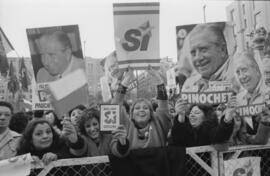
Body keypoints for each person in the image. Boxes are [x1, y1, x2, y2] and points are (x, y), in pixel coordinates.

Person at [110, 68, 172, 157]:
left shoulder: (159, 123)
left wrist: (158, 79)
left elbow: (163, 105)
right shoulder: (126, 125)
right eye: (137, 108)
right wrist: (126, 80)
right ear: (131, 114)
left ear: (151, 113)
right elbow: (115, 106)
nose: (141, 110)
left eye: (145, 108)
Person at [181, 22, 237, 92]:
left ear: (222, 50)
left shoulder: (240, 75)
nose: (197, 58)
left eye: (203, 50)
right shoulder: (189, 84)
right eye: (193, 53)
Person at [61, 108, 129, 157]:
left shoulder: (108, 137)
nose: (92, 129)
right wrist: (74, 141)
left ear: (100, 123)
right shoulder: (83, 138)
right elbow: (79, 150)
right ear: (83, 128)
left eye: (95, 124)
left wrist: (122, 142)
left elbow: (117, 151)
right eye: (88, 126)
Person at [233, 50, 270, 140]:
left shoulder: (268, 93)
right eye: (238, 72)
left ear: (256, 70)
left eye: (244, 70)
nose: (242, 76)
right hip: (247, 150)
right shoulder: (237, 99)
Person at [170, 98, 235, 147]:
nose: (192, 115)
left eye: (197, 113)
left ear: (206, 116)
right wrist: (181, 115)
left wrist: (228, 116)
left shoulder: (210, 129)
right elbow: (177, 138)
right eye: (191, 113)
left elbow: (220, 135)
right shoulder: (186, 129)